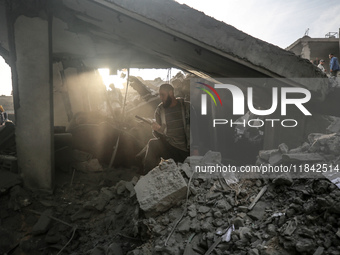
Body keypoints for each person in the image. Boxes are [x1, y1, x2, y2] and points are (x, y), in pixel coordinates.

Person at [143, 84, 197, 173]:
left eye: (163, 95)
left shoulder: (187, 107)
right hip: (171, 148)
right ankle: (147, 176)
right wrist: (156, 129)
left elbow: (196, 129)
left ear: (171, 93)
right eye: (159, 95)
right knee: (153, 144)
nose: (161, 98)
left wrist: (196, 149)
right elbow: (159, 136)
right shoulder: (160, 110)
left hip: (186, 150)